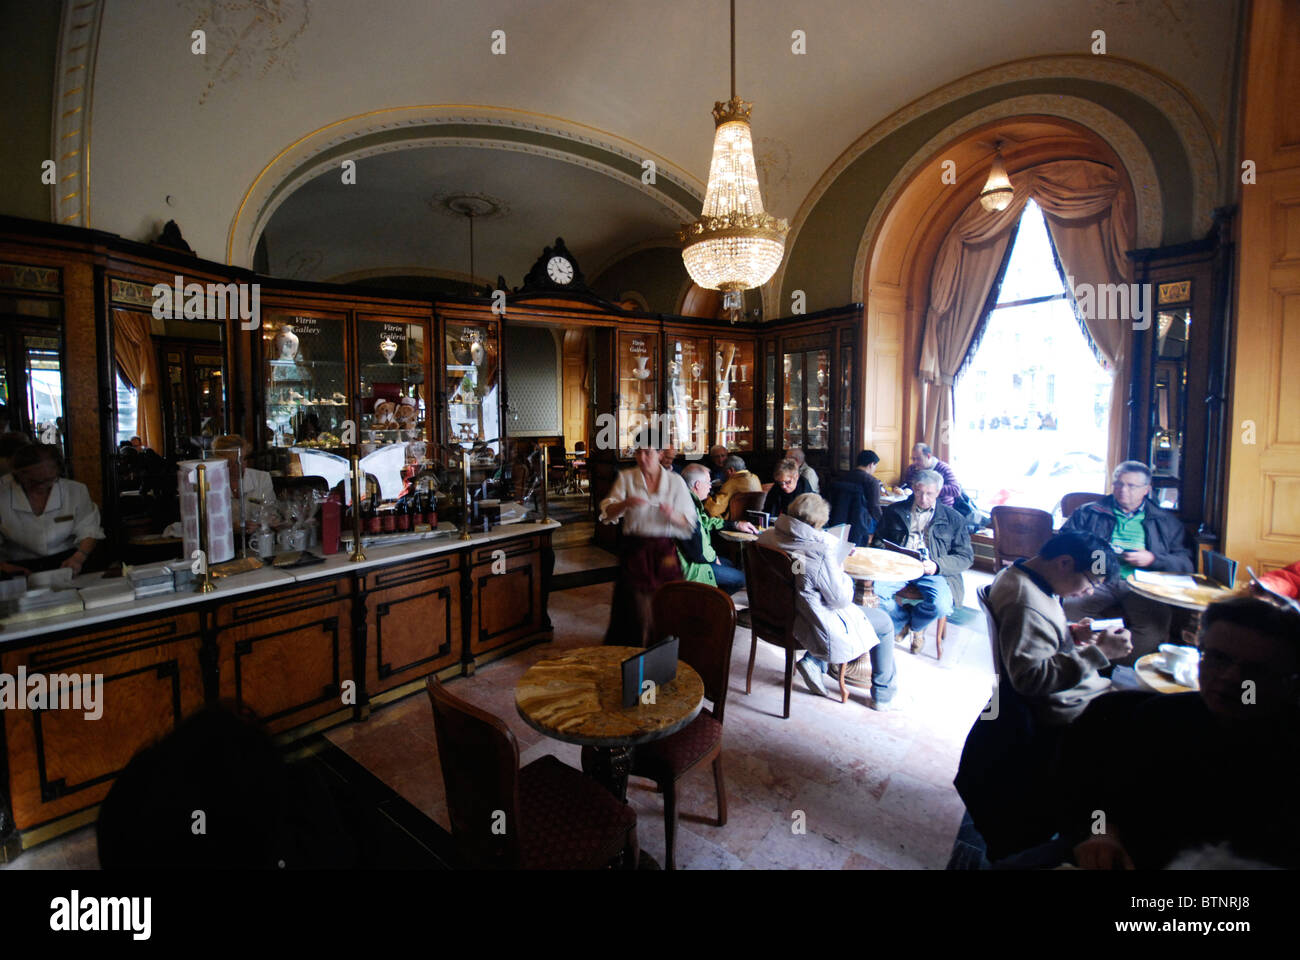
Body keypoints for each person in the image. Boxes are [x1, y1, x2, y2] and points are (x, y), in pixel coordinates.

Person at [1062, 595, 1300, 870]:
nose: (1232, 678)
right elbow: (1101, 800)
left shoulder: (1288, 751)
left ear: (1291, 681)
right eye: (1218, 658)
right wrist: (1102, 833)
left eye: (1256, 670)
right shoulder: (1155, 719)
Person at [758, 494, 899, 710]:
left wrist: (834, 546)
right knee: (884, 623)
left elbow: (807, 541)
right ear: (817, 524)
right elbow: (840, 600)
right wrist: (841, 572)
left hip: (776, 613)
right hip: (811, 621)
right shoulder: (818, 554)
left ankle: (815, 662)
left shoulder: (766, 538)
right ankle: (883, 694)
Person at [988, 532, 1134, 725]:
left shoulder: (1019, 575)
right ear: (1064, 563)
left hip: (1079, 693)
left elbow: (1034, 636)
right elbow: (1029, 679)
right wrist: (1100, 652)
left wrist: (1072, 634)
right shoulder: (1025, 603)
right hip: (1073, 706)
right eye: (1092, 583)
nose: (1089, 592)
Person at [1060, 460, 1193, 663]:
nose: (1123, 490)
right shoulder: (1089, 512)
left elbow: (1185, 563)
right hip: (1098, 579)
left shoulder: (1165, 521)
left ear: (1147, 490)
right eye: (1119, 484)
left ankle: (1115, 663)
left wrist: (1152, 559)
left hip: (1142, 585)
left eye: (1132, 486)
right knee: (1070, 608)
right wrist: (1091, 554)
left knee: (1154, 626)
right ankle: (1093, 658)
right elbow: (1062, 543)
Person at [599, 440, 697, 646]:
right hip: (634, 548)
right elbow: (607, 514)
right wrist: (625, 504)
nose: (642, 458)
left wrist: (671, 515)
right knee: (635, 607)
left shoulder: (675, 482)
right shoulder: (627, 478)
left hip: (663, 551)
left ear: (660, 454)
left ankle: (664, 649)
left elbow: (689, 523)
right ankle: (636, 650)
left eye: (648, 453)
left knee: (667, 602)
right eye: (638, 453)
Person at [872, 469, 973, 653]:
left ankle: (916, 626)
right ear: (913, 488)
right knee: (874, 595)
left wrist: (937, 565)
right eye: (919, 492)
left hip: (932, 570)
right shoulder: (895, 510)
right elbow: (878, 540)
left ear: (939, 492)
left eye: (929, 494)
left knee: (941, 605)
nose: (923, 498)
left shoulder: (953, 519)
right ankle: (902, 619)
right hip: (898, 567)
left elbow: (965, 557)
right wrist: (888, 553)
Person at [0, 443, 105, 575]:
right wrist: (3, 567)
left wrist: (79, 557)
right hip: (18, 566)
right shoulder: (3, 495)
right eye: (33, 481)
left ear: (57, 470)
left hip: (67, 561)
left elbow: (89, 529)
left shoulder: (75, 490)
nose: (41, 486)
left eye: (48, 480)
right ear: (17, 475)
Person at [678, 463, 753, 594]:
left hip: (695, 561)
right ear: (697, 485)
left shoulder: (688, 500)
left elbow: (706, 522)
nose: (710, 486)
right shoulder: (686, 509)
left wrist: (735, 525)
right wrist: (713, 558)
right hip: (692, 568)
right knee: (742, 579)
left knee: (729, 564)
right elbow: (697, 553)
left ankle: (712, 598)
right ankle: (713, 603)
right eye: (708, 482)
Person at [213, 434, 277, 530]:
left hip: (257, 538)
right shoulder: (211, 483)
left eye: (243, 459)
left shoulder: (262, 478)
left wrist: (264, 522)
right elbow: (207, 522)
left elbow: (272, 513)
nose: (239, 465)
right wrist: (232, 527)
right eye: (231, 462)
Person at [828, 449, 884, 545]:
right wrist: (883, 522)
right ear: (871, 464)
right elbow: (874, 507)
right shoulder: (872, 481)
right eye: (875, 466)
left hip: (839, 520)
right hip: (861, 524)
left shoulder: (842, 477)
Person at [902, 441, 962, 507]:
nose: (915, 462)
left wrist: (930, 488)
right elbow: (907, 486)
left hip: (941, 507)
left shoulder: (943, 468)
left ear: (928, 456)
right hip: (917, 506)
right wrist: (901, 490)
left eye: (918, 459)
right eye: (913, 459)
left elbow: (956, 490)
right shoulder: (912, 469)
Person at [704, 454, 760, 519]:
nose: (724, 475)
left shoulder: (732, 483)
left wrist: (707, 498)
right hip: (754, 519)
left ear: (731, 470)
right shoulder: (755, 478)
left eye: (724, 472)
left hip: (734, 522)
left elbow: (713, 510)